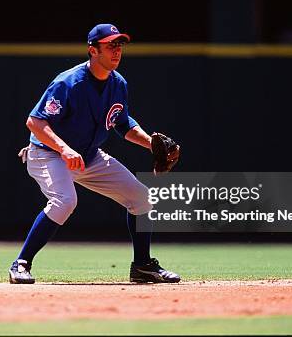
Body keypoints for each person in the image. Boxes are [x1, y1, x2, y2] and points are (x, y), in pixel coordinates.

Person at [9, 23, 181, 284]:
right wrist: (64, 149)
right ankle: (21, 263)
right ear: (93, 50)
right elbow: (35, 122)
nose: (117, 51)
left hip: (88, 156)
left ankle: (143, 266)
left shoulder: (118, 84)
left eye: (119, 45)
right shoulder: (67, 83)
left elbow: (122, 123)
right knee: (65, 202)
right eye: (110, 45)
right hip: (47, 153)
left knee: (141, 199)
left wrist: (151, 143)